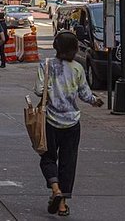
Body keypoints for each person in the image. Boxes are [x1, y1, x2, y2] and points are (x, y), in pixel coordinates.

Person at [35, 30, 103, 217]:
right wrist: (94, 100)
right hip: (72, 122)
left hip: (50, 120)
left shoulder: (46, 65)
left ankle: (55, 189)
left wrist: (51, 91)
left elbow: (38, 90)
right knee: (68, 162)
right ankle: (63, 204)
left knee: (48, 157)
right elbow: (84, 93)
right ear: (73, 50)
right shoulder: (78, 68)